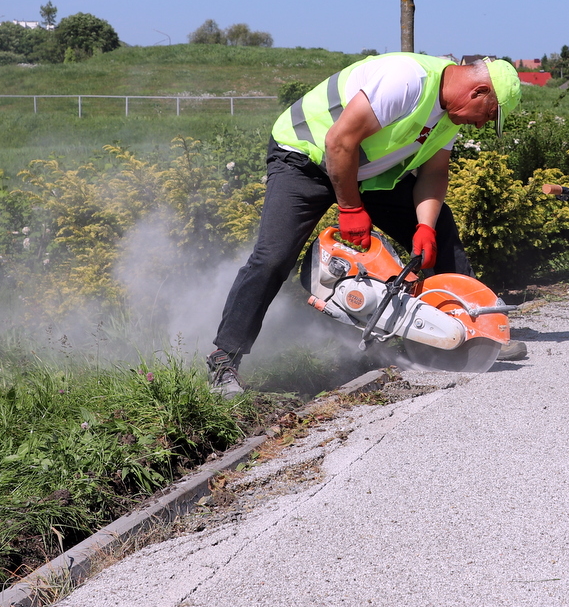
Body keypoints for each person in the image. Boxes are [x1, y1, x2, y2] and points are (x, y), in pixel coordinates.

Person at [206, 54, 524, 394]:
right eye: (488, 115)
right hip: (304, 157)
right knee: (273, 257)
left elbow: (434, 173)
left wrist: (425, 227)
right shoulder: (406, 80)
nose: (481, 125)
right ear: (478, 91)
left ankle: (475, 331)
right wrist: (350, 208)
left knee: (441, 227)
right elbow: (338, 142)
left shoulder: (450, 116)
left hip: (359, 170)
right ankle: (224, 360)